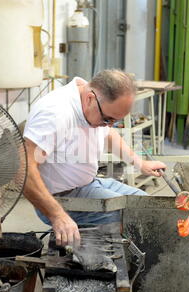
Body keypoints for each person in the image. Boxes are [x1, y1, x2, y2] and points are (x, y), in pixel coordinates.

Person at [22, 69, 167, 247]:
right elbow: (23, 169)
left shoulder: (90, 98)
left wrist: (140, 163)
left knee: (148, 206)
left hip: (90, 184)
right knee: (132, 219)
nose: (108, 124)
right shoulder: (56, 114)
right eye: (107, 119)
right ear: (90, 98)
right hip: (61, 199)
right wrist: (57, 215)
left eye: (114, 120)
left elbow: (108, 134)